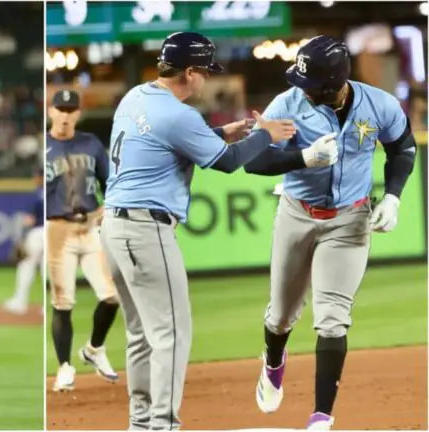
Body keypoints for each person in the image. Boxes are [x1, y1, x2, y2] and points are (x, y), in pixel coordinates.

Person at [99, 31, 310, 430]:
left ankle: (142, 423)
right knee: (172, 335)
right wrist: (266, 135)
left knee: (142, 334)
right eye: (205, 71)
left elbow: (162, 144)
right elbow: (228, 164)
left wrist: (218, 134)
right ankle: (162, 424)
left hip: (113, 226)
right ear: (190, 72)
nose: (207, 79)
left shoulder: (136, 96)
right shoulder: (178, 114)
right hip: (146, 229)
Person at [244, 35, 417, 430]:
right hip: (297, 214)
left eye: (308, 83)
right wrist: (302, 158)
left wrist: (392, 197)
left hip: (349, 220)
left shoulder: (379, 104)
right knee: (282, 316)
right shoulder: (287, 105)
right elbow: (254, 159)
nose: (299, 89)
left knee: (332, 319)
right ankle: (273, 363)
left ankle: (321, 416)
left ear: (332, 83)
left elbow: (403, 148)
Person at [46, 89, 121, 391]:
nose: (65, 114)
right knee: (63, 302)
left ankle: (93, 349)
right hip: (57, 229)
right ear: (51, 111)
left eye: (70, 109)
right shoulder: (43, 146)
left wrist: (103, 211)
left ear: (78, 113)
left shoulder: (91, 144)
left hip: (90, 227)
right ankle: (64, 367)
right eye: (60, 109)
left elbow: (111, 184)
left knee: (111, 296)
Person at [3, 168, 45, 315]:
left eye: (37, 176)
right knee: (46, 270)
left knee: (26, 266)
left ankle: (20, 302)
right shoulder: (56, 191)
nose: (35, 179)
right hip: (51, 232)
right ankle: (46, 307)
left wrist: (21, 237)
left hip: (37, 234)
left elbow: (29, 219)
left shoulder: (36, 194)